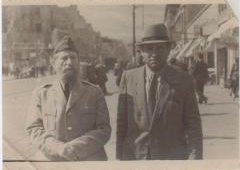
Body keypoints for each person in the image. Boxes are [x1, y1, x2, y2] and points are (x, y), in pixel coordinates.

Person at [116, 24, 203, 160]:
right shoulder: (128, 78)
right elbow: (121, 123)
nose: (154, 53)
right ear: (142, 52)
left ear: (168, 49)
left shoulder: (183, 80)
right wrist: (119, 158)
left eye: (160, 48)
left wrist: (195, 159)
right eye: (149, 49)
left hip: (172, 158)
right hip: (135, 157)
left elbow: (193, 125)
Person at [26, 29, 111, 161]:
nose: (69, 62)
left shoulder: (95, 93)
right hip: (53, 160)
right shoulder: (41, 94)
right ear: (53, 63)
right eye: (64, 58)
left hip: (88, 160)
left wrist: (74, 148)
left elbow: (104, 130)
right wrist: (58, 148)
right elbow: (34, 128)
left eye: (73, 57)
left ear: (78, 61)